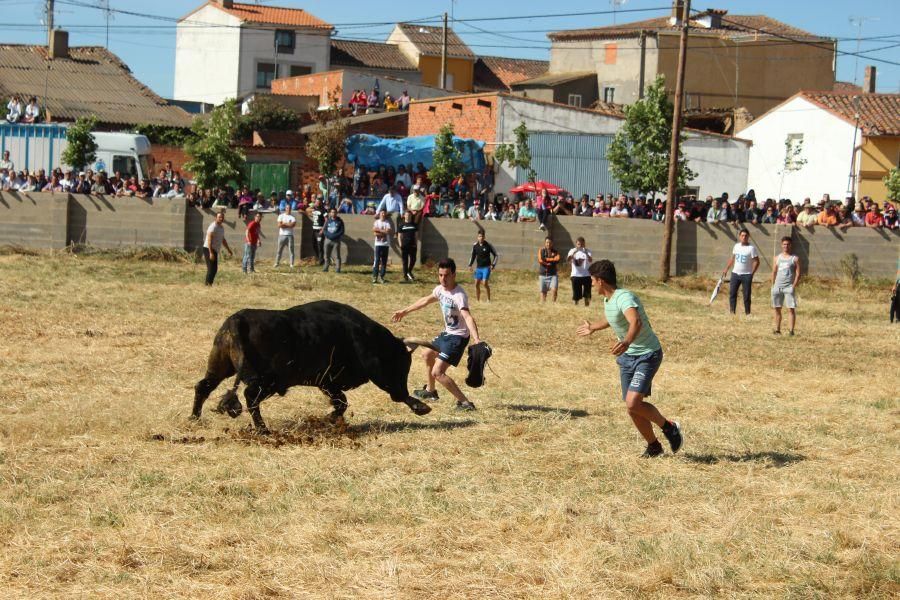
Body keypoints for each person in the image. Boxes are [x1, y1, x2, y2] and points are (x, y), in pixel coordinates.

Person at [576, 259, 682, 458]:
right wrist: (593, 328)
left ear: (600, 280)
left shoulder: (624, 297)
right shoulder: (609, 300)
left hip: (647, 354)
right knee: (632, 408)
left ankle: (669, 427)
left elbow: (636, 321)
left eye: (592, 279)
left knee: (633, 403)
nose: (590, 282)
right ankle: (654, 446)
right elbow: (612, 318)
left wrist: (626, 341)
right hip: (627, 358)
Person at [391, 258, 482, 411]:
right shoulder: (440, 289)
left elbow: (467, 316)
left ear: (454, 274)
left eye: (446, 275)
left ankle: (465, 403)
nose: (443, 279)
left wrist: (476, 339)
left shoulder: (459, 295)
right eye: (440, 275)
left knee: (438, 372)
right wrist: (405, 311)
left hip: (458, 337)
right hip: (447, 333)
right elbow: (426, 300)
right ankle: (430, 391)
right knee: (427, 354)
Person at [721, 228, 760, 315]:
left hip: (746, 275)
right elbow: (732, 258)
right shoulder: (736, 246)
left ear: (748, 237)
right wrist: (726, 269)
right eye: (742, 235)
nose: (744, 237)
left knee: (746, 295)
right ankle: (732, 312)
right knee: (732, 294)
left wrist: (752, 273)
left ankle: (747, 313)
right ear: (739, 236)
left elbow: (757, 261)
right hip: (735, 274)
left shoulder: (751, 248)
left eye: (746, 235)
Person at [770, 236, 801, 335]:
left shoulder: (794, 259)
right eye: (784, 244)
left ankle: (791, 331)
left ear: (790, 245)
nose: (786, 246)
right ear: (781, 245)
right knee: (777, 309)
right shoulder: (776, 258)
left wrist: (793, 286)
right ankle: (777, 329)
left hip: (788, 287)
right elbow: (774, 271)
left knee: (790, 309)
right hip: (777, 287)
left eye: (787, 244)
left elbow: (798, 273)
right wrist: (773, 285)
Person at [203, 211, 233, 286]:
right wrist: (210, 252)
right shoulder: (213, 226)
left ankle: (209, 284)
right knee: (211, 268)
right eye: (219, 217)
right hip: (208, 248)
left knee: (214, 269)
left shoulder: (221, 228)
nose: (221, 218)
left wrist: (228, 249)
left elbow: (223, 240)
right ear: (216, 218)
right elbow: (209, 239)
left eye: (222, 217)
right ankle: (207, 285)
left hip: (215, 249)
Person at [468, 231, 499, 302]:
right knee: (476, 284)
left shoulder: (488, 245)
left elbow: (496, 255)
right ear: (477, 237)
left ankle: (488, 299)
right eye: (479, 236)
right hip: (478, 268)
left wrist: (493, 265)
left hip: (486, 267)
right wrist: (470, 265)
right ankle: (478, 300)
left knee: (485, 283)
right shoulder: (475, 246)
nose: (480, 238)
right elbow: (472, 256)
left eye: (482, 236)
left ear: (484, 237)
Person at [567, 236, 593, 306]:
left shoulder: (588, 251)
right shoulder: (572, 250)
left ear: (584, 244)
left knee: (587, 293)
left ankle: (587, 306)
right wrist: (573, 253)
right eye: (579, 244)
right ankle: (576, 305)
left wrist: (586, 253)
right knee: (576, 293)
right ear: (576, 244)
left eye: (582, 244)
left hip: (586, 275)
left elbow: (590, 260)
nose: (580, 246)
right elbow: (568, 260)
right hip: (575, 275)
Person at [372, 209, 393, 284]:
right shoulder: (376, 222)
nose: (383, 214)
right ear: (380, 214)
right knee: (377, 260)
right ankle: (375, 277)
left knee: (384, 261)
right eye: (382, 213)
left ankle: (382, 277)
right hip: (378, 244)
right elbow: (374, 232)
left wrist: (379, 231)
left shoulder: (387, 222)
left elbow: (388, 231)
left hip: (386, 244)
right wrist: (383, 232)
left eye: (384, 213)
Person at [538, 237, 560, 303]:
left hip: (553, 274)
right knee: (543, 293)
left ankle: (553, 304)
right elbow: (541, 260)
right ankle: (543, 306)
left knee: (554, 290)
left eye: (550, 243)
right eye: (547, 242)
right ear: (545, 243)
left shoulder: (556, 252)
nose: (548, 244)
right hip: (543, 274)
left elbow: (557, 259)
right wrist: (551, 261)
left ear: (552, 243)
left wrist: (547, 259)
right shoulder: (541, 250)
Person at [322, 207, 344, 273]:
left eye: (334, 212)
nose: (333, 213)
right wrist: (328, 235)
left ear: (336, 213)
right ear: (330, 213)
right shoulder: (328, 221)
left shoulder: (340, 221)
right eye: (332, 212)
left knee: (337, 255)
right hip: (327, 240)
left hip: (336, 241)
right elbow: (325, 230)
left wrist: (335, 236)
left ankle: (338, 269)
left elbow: (342, 231)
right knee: (326, 255)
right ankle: (326, 267)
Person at [398, 210, 418, 281]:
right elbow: (399, 236)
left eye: (409, 215)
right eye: (406, 215)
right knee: (405, 261)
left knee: (413, 259)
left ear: (411, 216)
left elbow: (416, 235)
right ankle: (405, 276)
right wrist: (400, 244)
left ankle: (409, 271)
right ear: (404, 216)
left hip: (412, 245)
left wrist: (416, 244)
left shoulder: (414, 225)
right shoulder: (401, 225)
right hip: (405, 245)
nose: (408, 216)